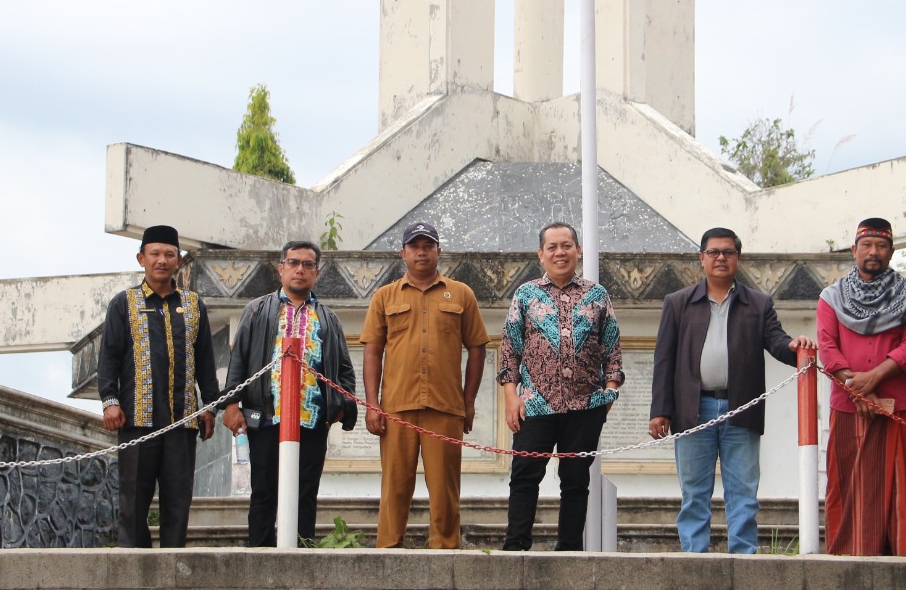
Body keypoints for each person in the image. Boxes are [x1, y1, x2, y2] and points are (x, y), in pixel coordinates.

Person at [649, 227, 814, 554]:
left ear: (737, 258)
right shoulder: (679, 303)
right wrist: (660, 410)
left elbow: (777, 342)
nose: (720, 258)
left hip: (741, 409)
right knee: (694, 492)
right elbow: (664, 360)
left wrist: (796, 347)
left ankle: (744, 557)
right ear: (702, 258)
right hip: (693, 412)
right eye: (713, 252)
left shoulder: (758, 303)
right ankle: (695, 557)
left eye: (728, 252)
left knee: (743, 491)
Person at [221, 240, 358, 546]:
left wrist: (340, 406)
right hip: (267, 418)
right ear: (281, 268)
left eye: (307, 265)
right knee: (264, 494)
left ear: (317, 272)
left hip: (311, 421)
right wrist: (231, 404)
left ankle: (301, 562)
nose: (300, 270)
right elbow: (239, 360)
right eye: (293, 263)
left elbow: (345, 372)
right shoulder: (257, 310)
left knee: (305, 494)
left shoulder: (328, 318)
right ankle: (258, 561)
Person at [361, 221, 489, 548]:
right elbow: (373, 351)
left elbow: (477, 346)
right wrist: (373, 405)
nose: (421, 251)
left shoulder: (461, 294)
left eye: (428, 245)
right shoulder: (384, 297)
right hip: (396, 408)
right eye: (415, 246)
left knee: (445, 490)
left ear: (438, 251)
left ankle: (445, 553)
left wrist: (468, 401)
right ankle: (388, 551)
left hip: (445, 408)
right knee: (394, 487)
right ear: (403, 253)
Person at [498, 221, 624, 551]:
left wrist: (608, 393)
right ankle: (516, 547)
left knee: (575, 480)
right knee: (525, 474)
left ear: (578, 251)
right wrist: (512, 397)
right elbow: (510, 348)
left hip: (585, 407)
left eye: (566, 245)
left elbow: (612, 347)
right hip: (535, 404)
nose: (560, 252)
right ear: (541, 254)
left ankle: (568, 550)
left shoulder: (597, 295)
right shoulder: (525, 294)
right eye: (552, 247)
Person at [96, 224, 219, 548]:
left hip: (183, 420)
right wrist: (110, 401)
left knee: (178, 500)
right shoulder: (124, 303)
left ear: (178, 260)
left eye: (169, 254)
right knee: (133, 500)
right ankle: (133, 575)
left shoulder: (193, 305)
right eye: (155, 254)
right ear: (142, 259)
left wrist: (210, 407)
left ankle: (172, 571)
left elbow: (205, 363)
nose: (162, 260)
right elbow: (108, 358)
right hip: (137, 421)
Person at [817, 217, 906, 556]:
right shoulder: (832, 296)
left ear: (891, 252)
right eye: (866, 245)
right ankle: (846, 556)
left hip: (896, 405)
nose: (873, 252)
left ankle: (894, 560)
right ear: (854, 250)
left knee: (892, 485)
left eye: (881, 246)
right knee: (847, 483)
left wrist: (872, 379)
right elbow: (827, 345)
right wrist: (857, 389)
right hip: (847, 403)